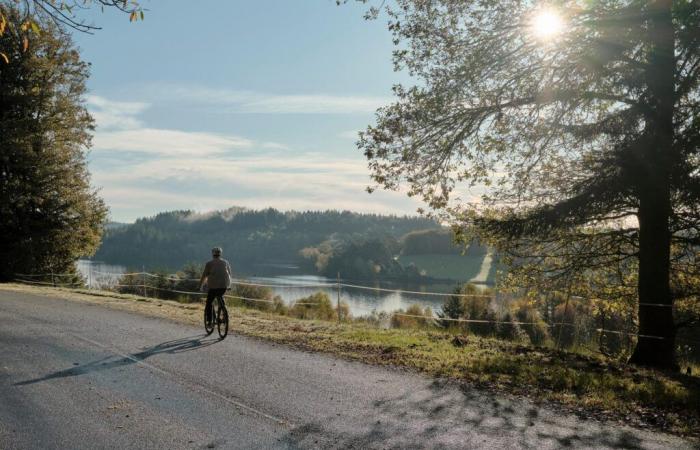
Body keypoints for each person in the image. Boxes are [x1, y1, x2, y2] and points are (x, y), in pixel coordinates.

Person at [199, 247, 232, 323]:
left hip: (213, 288)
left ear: (212, 254)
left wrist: (200, 286)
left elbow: (204, 276)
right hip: (223, 287)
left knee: (209, 303)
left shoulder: (209, 263)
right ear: (220, 254)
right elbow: (229, 274)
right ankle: (224, 314)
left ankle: (210, 321)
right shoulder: (226, 262)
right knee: (220, 297)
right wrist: (229, 285)